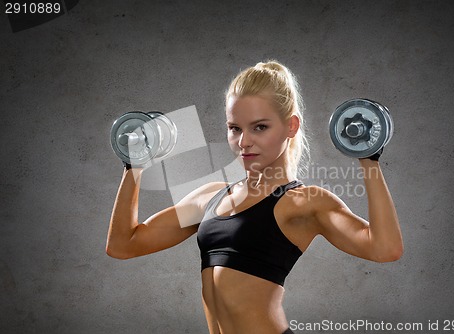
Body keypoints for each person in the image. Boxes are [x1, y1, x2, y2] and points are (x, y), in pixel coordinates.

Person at [106, 61, 403, 334]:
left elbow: (385, 248)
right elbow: (123, 244)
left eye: (260, 127)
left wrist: (368, 159)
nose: (244, 142)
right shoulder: (211, 198)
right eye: (234, 129)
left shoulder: (304, 202)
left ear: (291, 126)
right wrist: (135, 164)